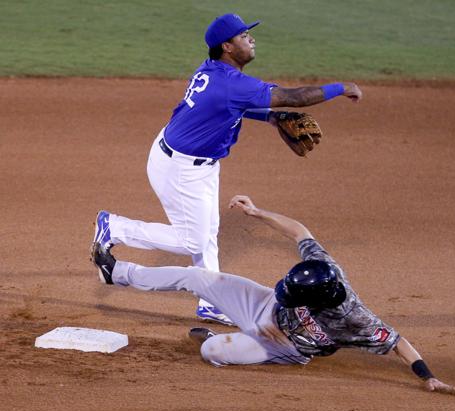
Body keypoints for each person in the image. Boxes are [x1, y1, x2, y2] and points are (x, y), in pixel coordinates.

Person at [92, 13, 362, 325]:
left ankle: (210, 302)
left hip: (192, 161)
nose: (251, 39)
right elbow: (293, 97)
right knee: (193, 241)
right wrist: (343, 87)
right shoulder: (231, 83)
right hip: (180, 168)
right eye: (244, 36)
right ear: (227, 46)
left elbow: (235, 105)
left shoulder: (214, 70)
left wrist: (272, 118)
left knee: (207, 236)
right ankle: (116, 227)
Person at [90, 194, 455, 394]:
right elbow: (300, 231)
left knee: (211, 352)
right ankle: (116, 272)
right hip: (261, 304)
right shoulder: (322, 266)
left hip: (282, 346)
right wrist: (256, 212)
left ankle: (225, 338)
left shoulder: (355, 319)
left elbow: (397, 342)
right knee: (196, 276)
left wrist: (428, 377)